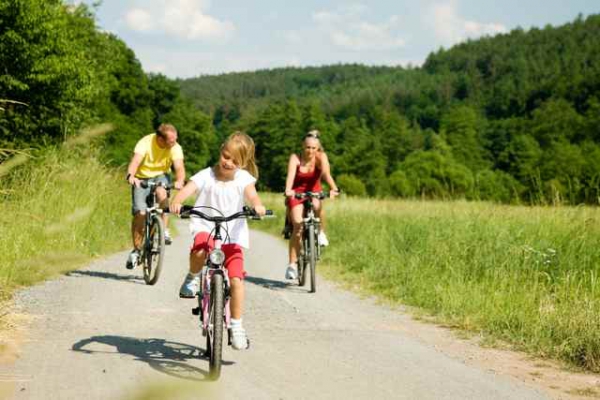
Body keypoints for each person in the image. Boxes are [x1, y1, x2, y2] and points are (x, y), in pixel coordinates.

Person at [169, 131, 266, 350]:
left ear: (243, 163)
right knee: (200, 252)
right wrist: (178, 200)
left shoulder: (244, 178)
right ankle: (193, 277)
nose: (228, 162)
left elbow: (252, 195)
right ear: (221, 150)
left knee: (236, 281)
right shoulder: (207, 174)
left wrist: (257, 206)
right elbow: (189, 189)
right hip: (206, 226)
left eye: (234, 160)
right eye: (225, 156)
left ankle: (237, 325)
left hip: (233, 234)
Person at [125, 123, 185, 269]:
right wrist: (131, 176)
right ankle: (137, 250)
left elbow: (179, 167)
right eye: (171, 141)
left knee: (161, 192)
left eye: (175, 139)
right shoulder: (145, 143)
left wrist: (180, 180)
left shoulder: (175, 147)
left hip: (161, 176)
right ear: (160, 138)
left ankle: (163, 229)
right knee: (140, 213)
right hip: (141, 177)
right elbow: (135, 162)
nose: (174, 143)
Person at [284, 129, 339, 280]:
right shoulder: (295, 158)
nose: (310, 151)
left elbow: (327, 174)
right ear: (303, 146)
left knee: (317, 206)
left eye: (313, 148)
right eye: (308, 147)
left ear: (318, 148)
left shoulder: (321, 157)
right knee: (297, 224)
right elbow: (290, 176)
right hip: (297, 191)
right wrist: (288, 190)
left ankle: (321, 232)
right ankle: (292, 265)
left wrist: (334, 188)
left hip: (314, 189)